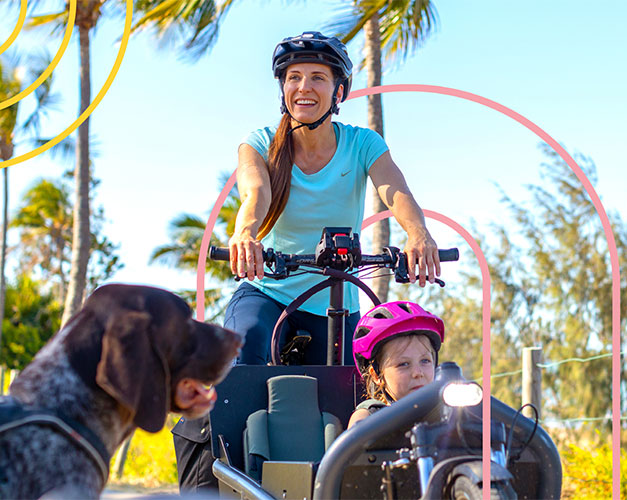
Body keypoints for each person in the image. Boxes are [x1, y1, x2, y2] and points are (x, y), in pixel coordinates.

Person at [173, 30, 441, 493]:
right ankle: (215, 486)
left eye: (318, 77)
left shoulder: (362, 143)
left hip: (337, 294)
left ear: (338, 91)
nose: (304, 87)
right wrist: (244, 235)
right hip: (268, 290)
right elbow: (255, 194)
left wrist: (418, 235)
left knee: (361, 395)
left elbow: (394, 189)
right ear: (282, 89)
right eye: (294, 77)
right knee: (232, 373)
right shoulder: (259, 142)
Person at [348, 300, 445, 426]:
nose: (417, 373)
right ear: (376, 375)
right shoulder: (369, 417)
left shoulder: (448, 412)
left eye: (425, 361)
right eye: (403, 364)